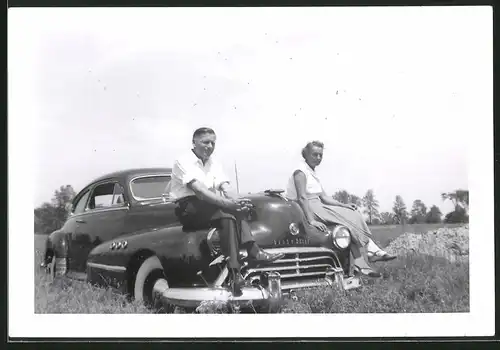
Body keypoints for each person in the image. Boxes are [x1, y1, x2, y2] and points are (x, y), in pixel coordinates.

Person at [169, 127, 285, 295]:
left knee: (234, 211)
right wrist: (228, 204)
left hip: (207, 204)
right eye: (205, 142)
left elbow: (225, 186)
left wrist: (238, 201)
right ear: (194, 142)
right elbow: (200, 191)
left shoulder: (213, 161)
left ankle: (246, 261)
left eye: (213, 143)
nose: (209, 146)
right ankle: (236, 271)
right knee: (227, 212)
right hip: (188, 207)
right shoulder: (183, 160)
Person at [284, 140, 396, 278]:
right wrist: (311, 220)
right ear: (306, 154)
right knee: (349, 219)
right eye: (315, 155)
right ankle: (371, 251)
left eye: (320, 155)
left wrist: (344, 205)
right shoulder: (300, 172)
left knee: (352, 213)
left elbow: (324, 197)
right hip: (304, 208)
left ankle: (363, 263)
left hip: (317, 204)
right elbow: (302, 198)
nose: (318, 158)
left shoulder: (312, 173)